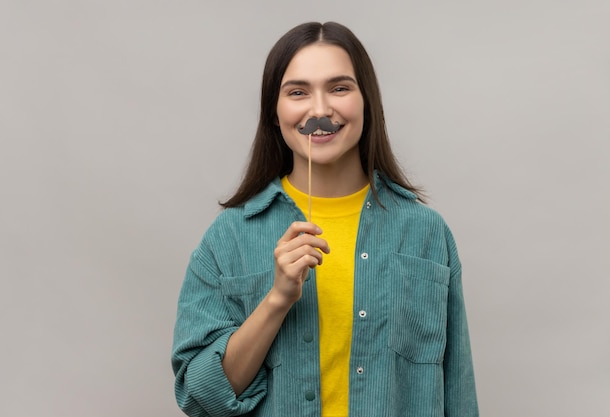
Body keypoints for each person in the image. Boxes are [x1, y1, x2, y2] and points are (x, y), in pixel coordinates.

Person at [172, 21, 479, 417]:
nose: (320, 110)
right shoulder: (228, 237)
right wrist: (277, 299)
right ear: (274, 111)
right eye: (298, 92)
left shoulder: (426, 233)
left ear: (366, 101)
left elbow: (458, 393)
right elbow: (198, 398)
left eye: (339, 88)